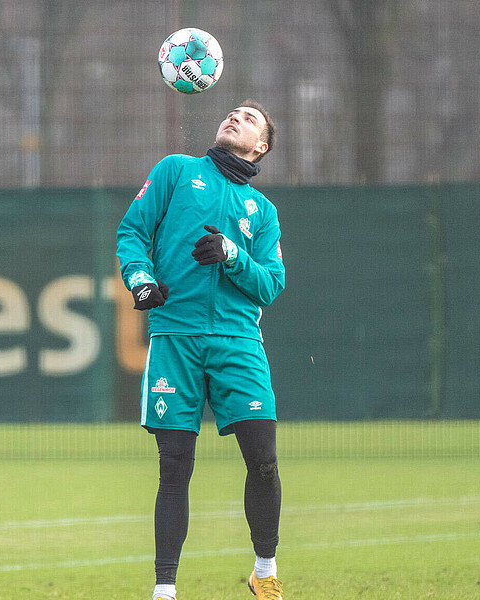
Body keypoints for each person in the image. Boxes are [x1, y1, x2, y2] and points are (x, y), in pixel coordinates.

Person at [116, 100, 286, 600]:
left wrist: (232, 254)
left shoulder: (263, 211)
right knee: (174, 466)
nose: (235, 118)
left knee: (264, 461)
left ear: (262, 146)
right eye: (232, 112)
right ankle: (164, 589)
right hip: (175, 339)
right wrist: (140, 279)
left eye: (249, 119)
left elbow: (270, 285)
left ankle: (264, 570)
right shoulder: (175, 171)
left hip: (238, 343)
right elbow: (132, 231)